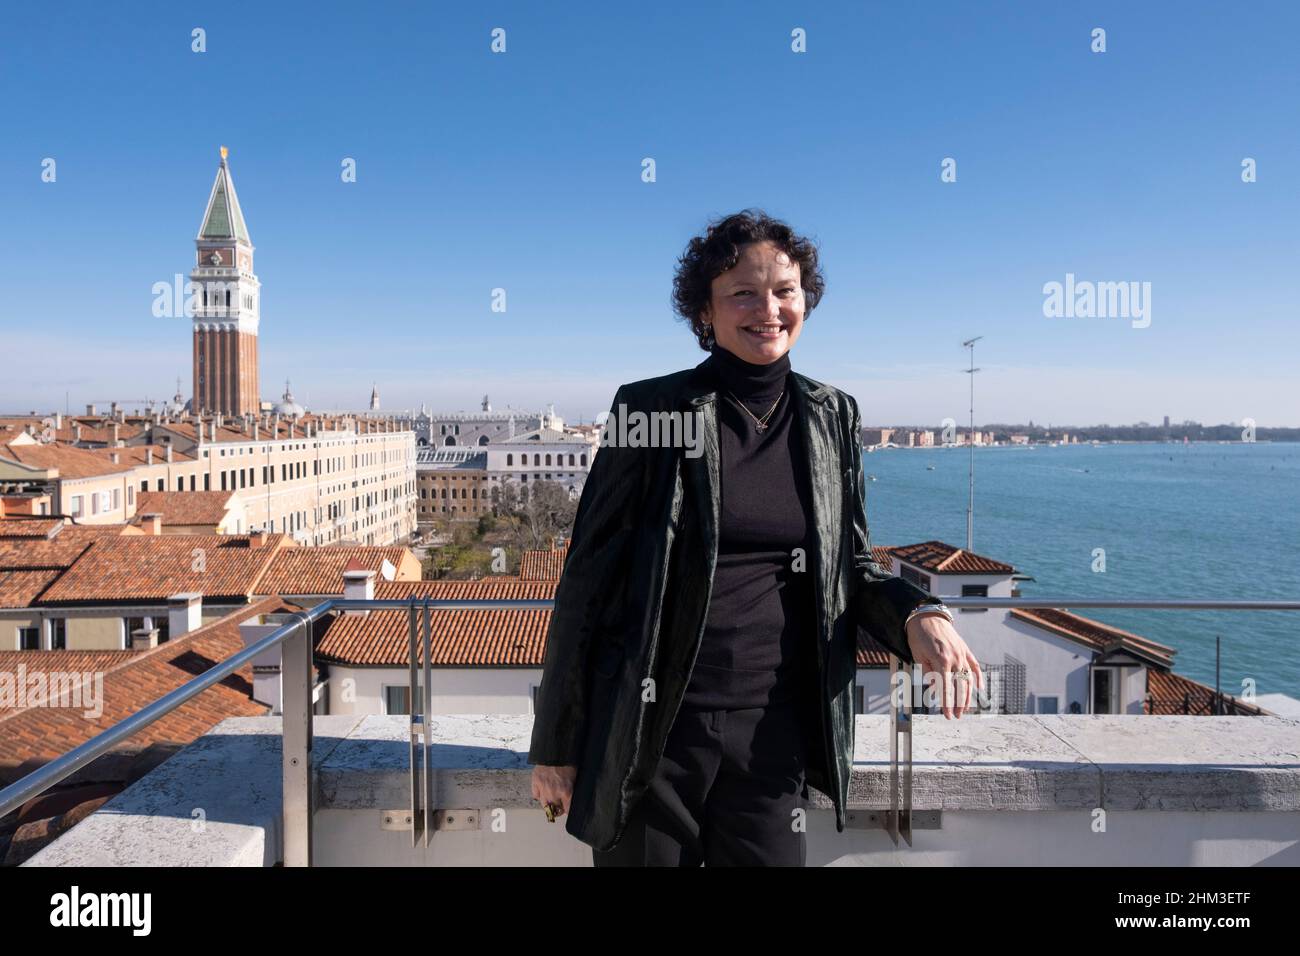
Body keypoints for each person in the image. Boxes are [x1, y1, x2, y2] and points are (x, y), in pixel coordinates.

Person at [529, 209, 981, 866]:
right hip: (652, 733)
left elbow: (848, 566)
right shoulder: (649, 412)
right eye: (742, 292)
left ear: (806, 301)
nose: (767, 309)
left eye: (783, 290)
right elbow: (587, 581)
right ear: (705, 314)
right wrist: (556, 745)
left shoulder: (832, 415)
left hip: (777, 733)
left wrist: (918, 614)